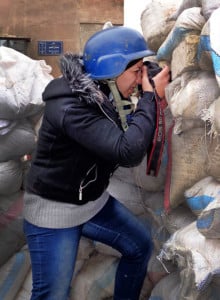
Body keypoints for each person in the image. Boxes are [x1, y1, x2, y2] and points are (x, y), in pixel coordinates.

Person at [23, 26, 170, 300]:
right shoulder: (71, 107)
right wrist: (150, 97)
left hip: (91, 202)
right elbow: (127, 151)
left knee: (139, 247)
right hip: (55, 212)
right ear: (113, 70)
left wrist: (146, 80)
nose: (140, 79)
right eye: (136, 71)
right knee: (51, 294)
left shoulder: (101, 92)